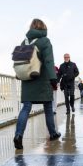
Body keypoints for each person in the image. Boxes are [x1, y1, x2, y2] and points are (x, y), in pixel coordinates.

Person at [13, 18, 61, 150]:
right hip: (42, 79)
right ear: (43, 28)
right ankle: (53, 133)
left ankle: (18, 136)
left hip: (27, 79)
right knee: (48, 108)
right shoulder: (45, 41)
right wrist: (53, 79)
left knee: (26, 108)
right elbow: (49, 62)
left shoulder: (24, 41)